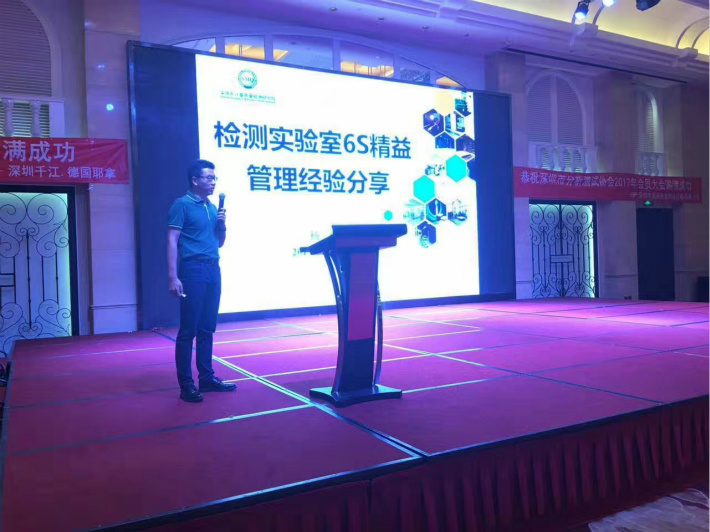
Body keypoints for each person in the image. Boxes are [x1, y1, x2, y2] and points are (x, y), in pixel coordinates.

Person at [167, 159, 237, 402]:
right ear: (195, 180)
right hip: (192, 269)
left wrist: (222, 226)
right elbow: (171, 241)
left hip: (213, 268)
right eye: (208, 178)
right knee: (189, 330)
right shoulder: (182, 204)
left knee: (207, 327)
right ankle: (186, 385)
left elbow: (220, 242)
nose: (213, 182)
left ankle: (206, 378)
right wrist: (173, 276)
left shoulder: (212, 207)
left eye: (214, 178)